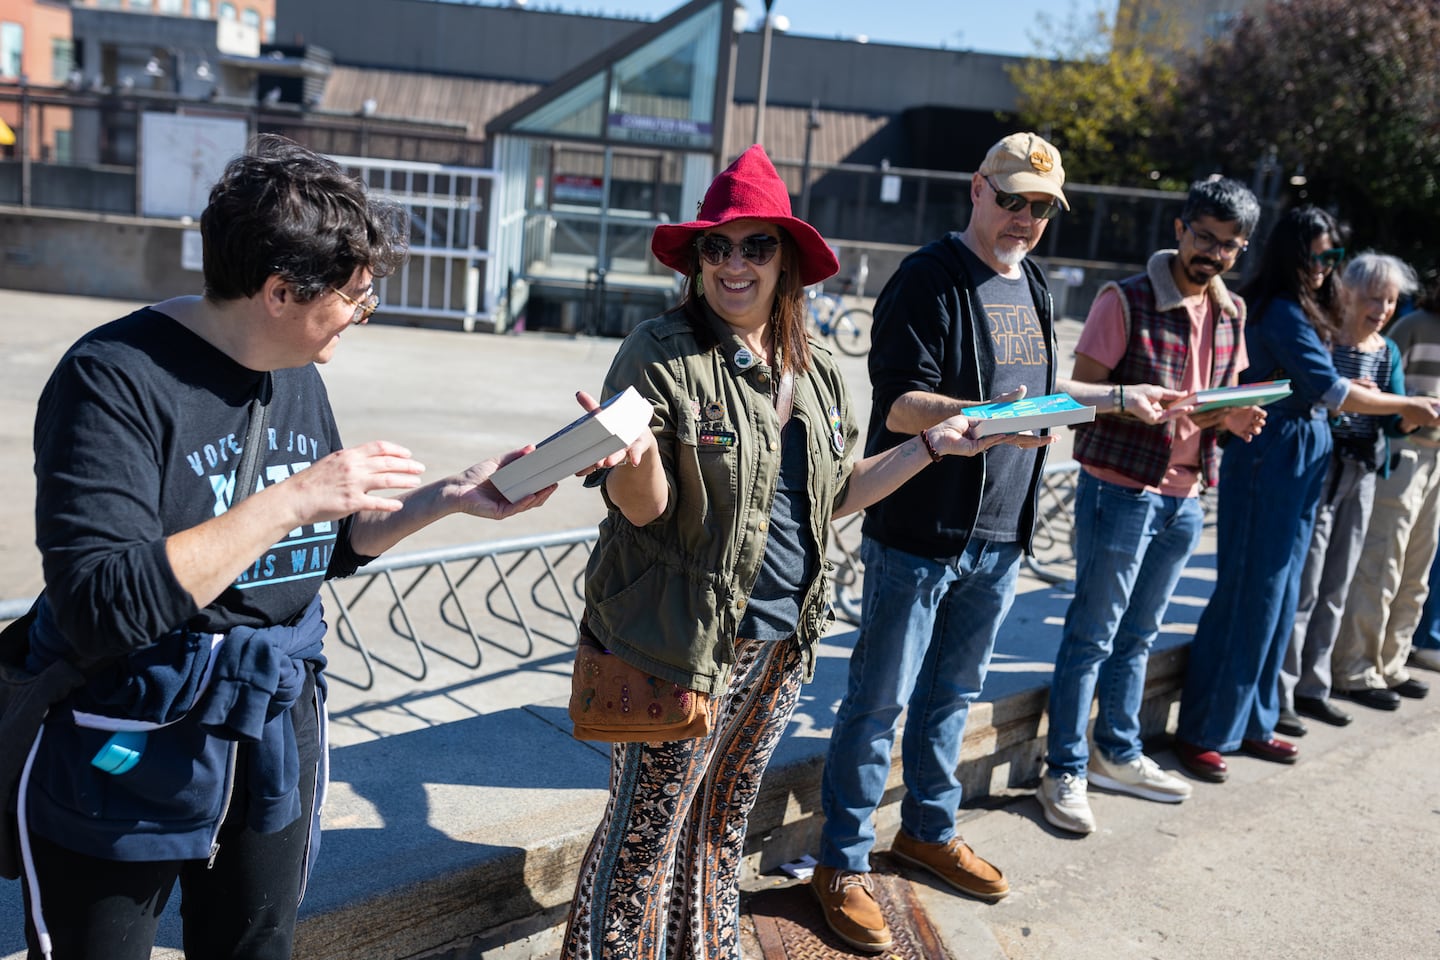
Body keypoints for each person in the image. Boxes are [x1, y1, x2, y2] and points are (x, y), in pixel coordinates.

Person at [18, 135, 558, 960]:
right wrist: (293, 498)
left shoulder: (297, 368)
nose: (361, 317)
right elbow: (102, 603)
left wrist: (444, 500)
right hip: (129, 730)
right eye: (355, 298)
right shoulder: (111, 380)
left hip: (270, 720)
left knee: (255, 944)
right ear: (278, 290)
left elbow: (322, 547)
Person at [558, 145, 1016, 960]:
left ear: (788, 261)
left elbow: (834, 495)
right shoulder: (661, 353)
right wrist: (631, 462)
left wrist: (934, 447)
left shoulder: (821, 371)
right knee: (645, 834)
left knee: (724, 820)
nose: (735, 265)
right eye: (718, 247)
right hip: (683, 642)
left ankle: (707, 946)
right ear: (697, 261)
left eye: (756, 246)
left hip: (781, 642)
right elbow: (647, 509)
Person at [809, 132, 1068, 952]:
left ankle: (926, 829)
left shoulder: (1032, 282)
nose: (1023, 219)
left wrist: (1109, 400)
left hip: (1000, 536)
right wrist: (995, 422)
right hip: (921, 534)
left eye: (1040, 207)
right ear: (977, 189)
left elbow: (1044, 391)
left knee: (953, 696)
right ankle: (842, 864)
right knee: (878, 703)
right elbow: (897, 406)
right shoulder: (927, 277)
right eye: (1012, 199)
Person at [1173, 207, 1440, 784]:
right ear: (1293, 254)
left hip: (1302, 450)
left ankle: (1253, 718)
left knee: (1286, 591)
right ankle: (1205, 729)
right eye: (1317, 256)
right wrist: (1404, 405)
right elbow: (1330, 388)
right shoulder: (1279, 309)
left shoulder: (1305, 306)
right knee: (1251, 590)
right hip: (1273, 450)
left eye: (1332, 258)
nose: (1325, 268)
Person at [1037, 177, 1266, 835]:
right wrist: (1121, 397)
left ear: (1241, 248)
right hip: (1119, 489)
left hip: (1186, 497)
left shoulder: (1232, 313)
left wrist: (1237, 417)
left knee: (1138, 636)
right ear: (1179, 229)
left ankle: (1117, 751)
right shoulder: (1126, 300)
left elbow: (1214, 401)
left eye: (1227, 245)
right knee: (1093, 635)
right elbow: (1072, 394)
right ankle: (1066, 768)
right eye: (1203, 237)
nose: (1212, 253)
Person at [1280, 253, 1418, 730]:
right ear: (1348, 295)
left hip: (1362, 473)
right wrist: (1343, 402)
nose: (1381, 308)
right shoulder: (1324, 340)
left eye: (1390, 300)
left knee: (1336, 585)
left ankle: (1315, 686)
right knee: (1306, 584)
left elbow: (1397, 419)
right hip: (1320, 468)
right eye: (1372, 298)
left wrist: (1414, 413)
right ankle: (1283, 694)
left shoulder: (1387, 351)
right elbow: (1307, 399)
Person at [1332, 272, 1440, 703]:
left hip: (1436, 459)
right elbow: (1389, 393)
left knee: (1418, 567)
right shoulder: (1413, 326)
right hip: (1403, 452)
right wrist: (1413, 414)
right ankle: (1356, 667)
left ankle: (1391, 663)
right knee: (1382, 564)